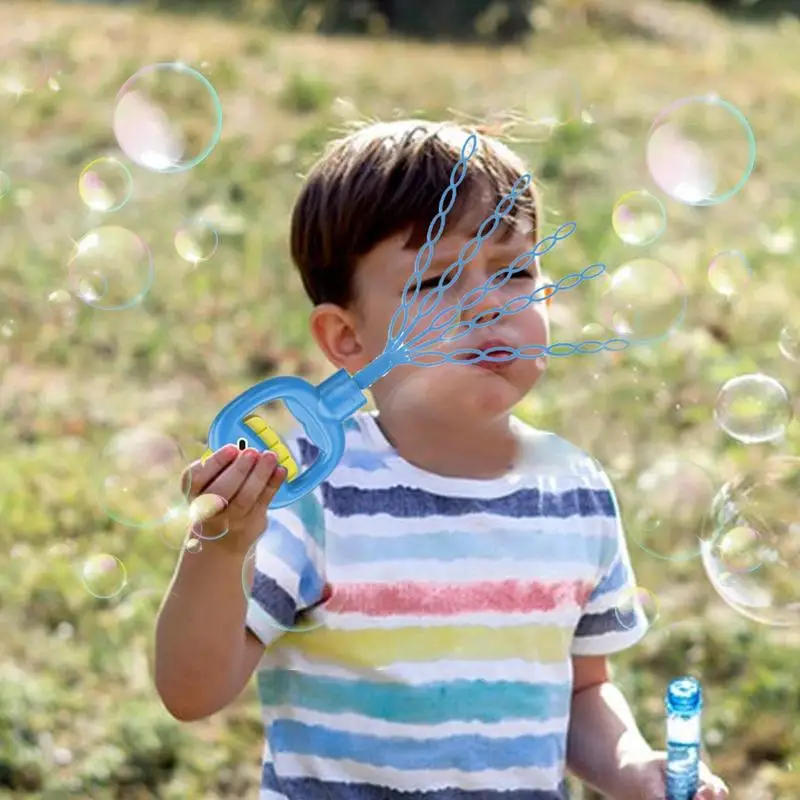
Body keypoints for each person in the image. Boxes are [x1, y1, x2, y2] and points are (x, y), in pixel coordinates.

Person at [154, 120, 729, 800]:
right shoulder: (314, 492)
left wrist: (630, 767)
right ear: (347, 336)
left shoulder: (574, 491)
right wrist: (219, 554)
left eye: (513, 270)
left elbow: (580, 692)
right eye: (436, 280)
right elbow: (192, 692)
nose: (486, 302)